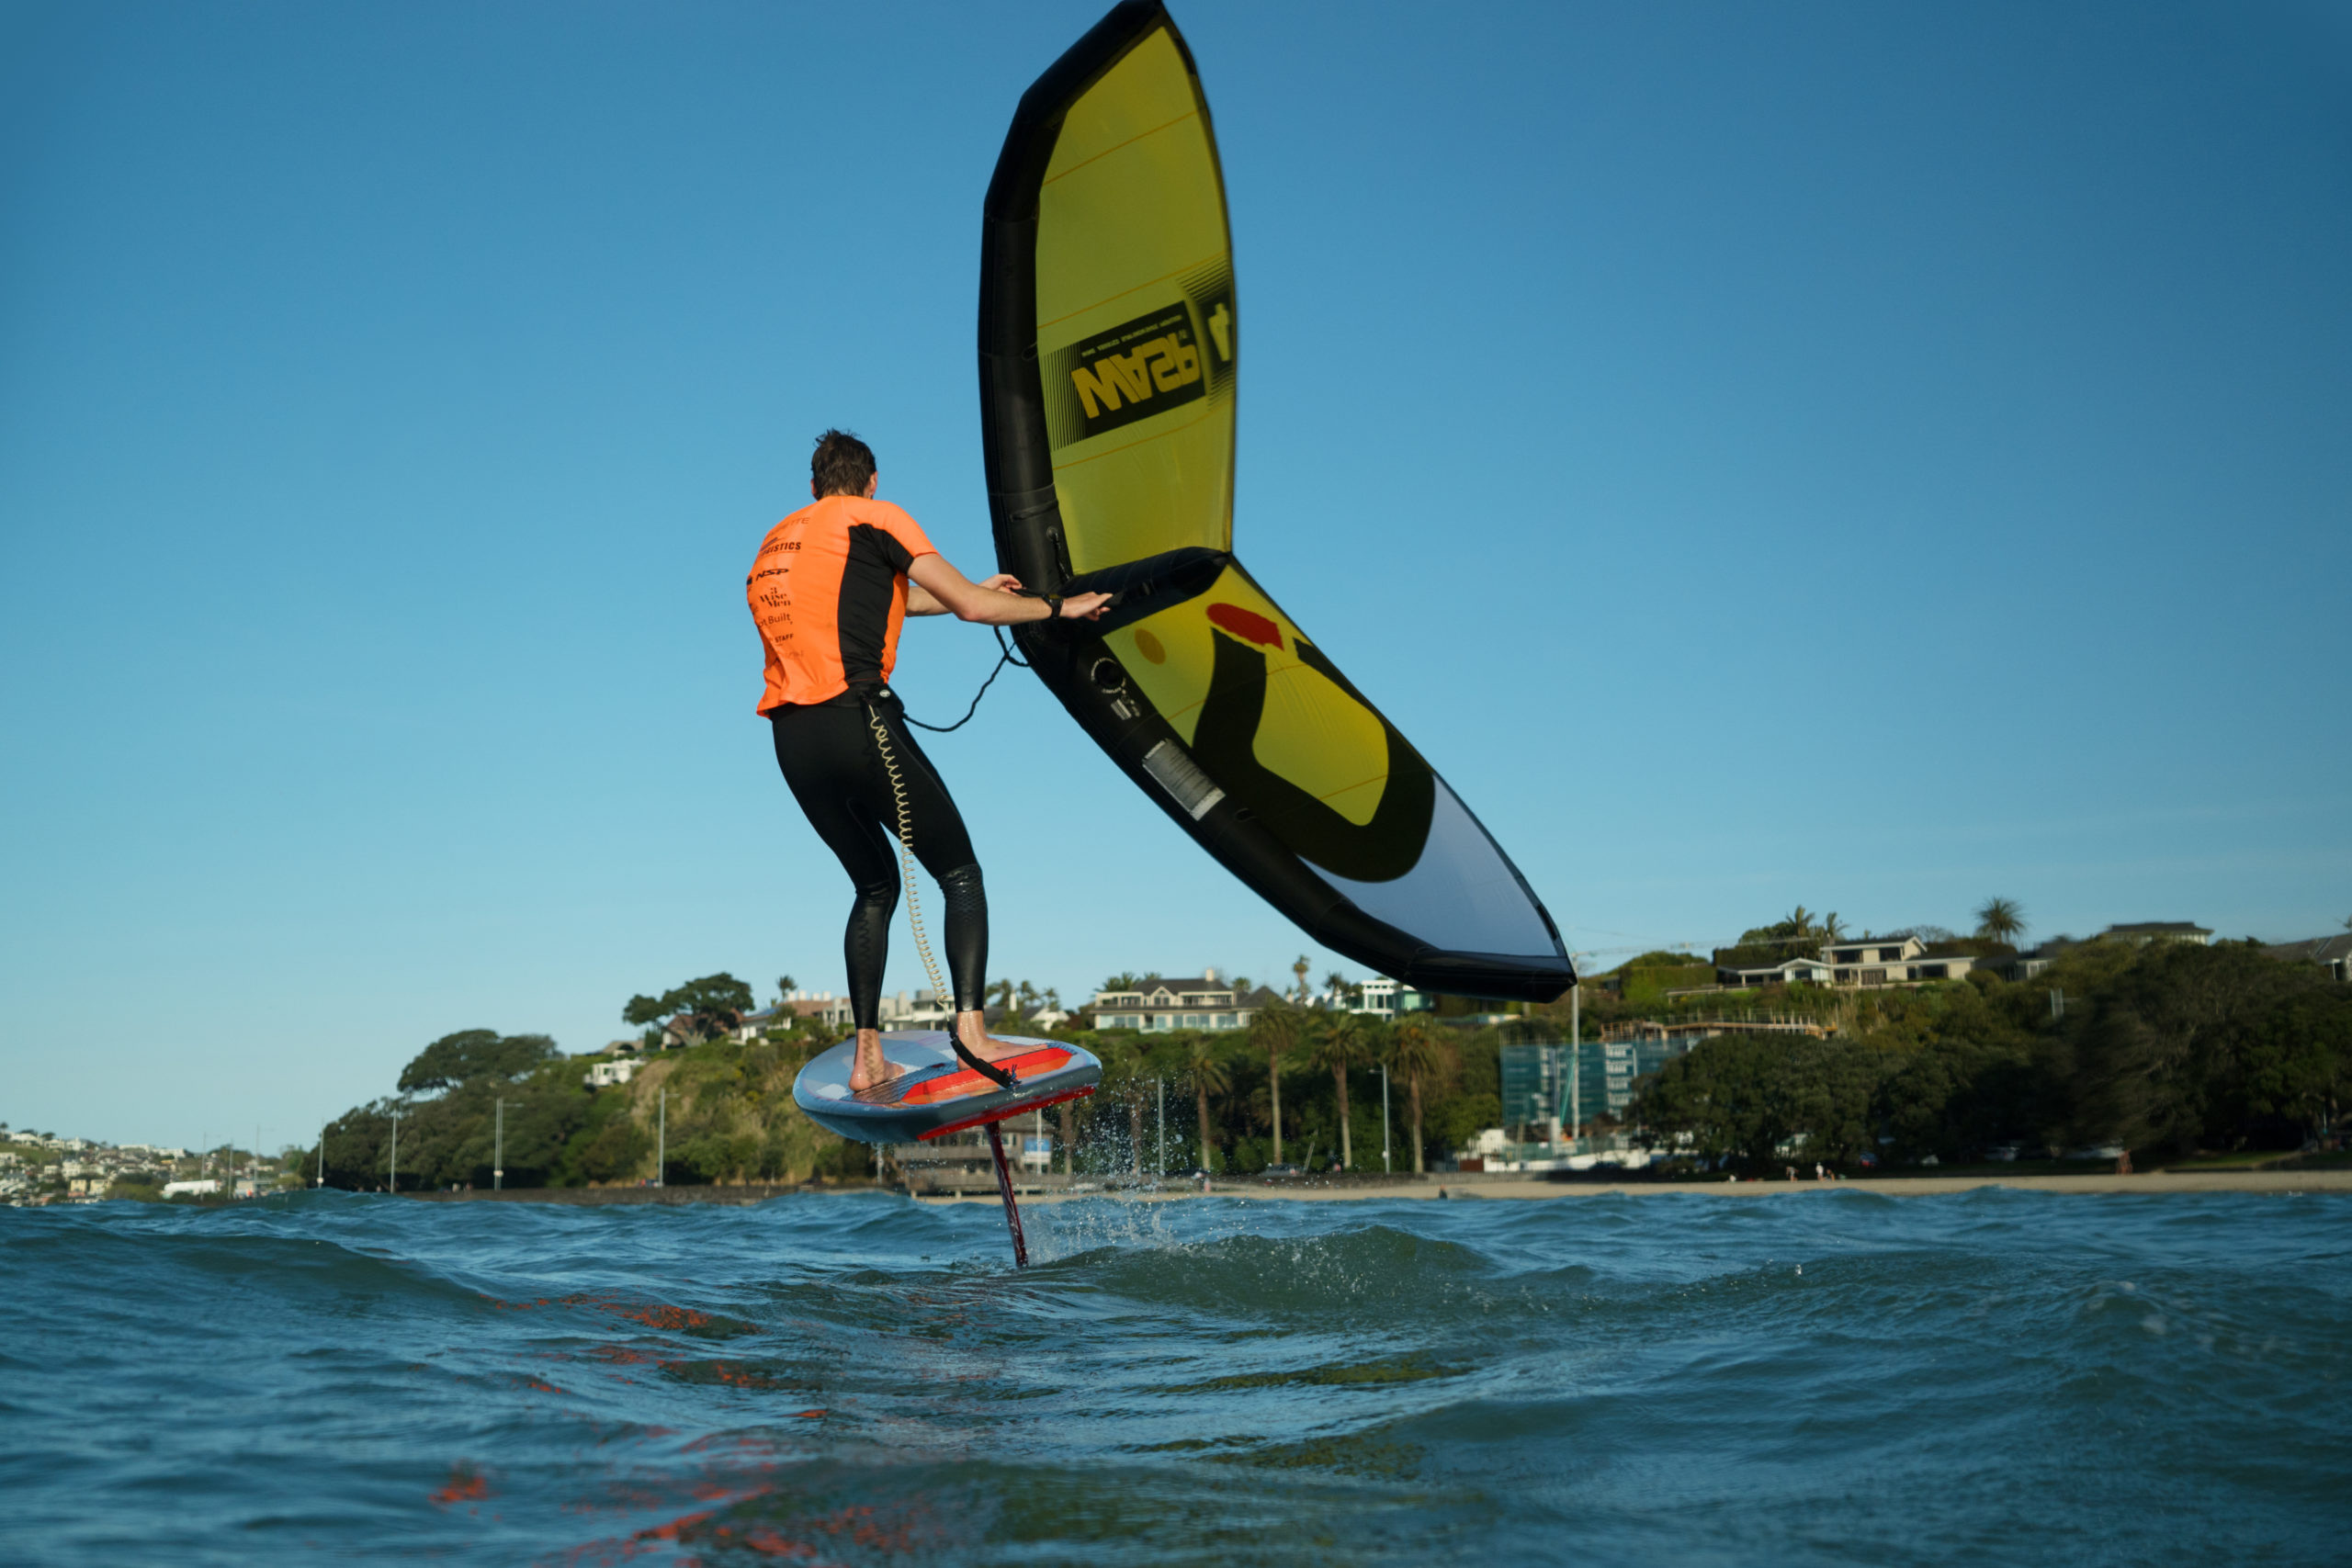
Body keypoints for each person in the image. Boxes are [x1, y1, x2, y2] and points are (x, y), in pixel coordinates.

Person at [748, 430, 1108, 1092]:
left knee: (875, 886)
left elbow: (883, 596)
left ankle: (867, 1058)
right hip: (860, 722)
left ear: (813, 485)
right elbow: (975, 608)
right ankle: (971, 1031)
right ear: (873, 480)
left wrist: (965, 588)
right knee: (960, 873)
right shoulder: (878, 515)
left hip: (793, 742)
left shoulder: (781, 539)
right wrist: (1058, 605)